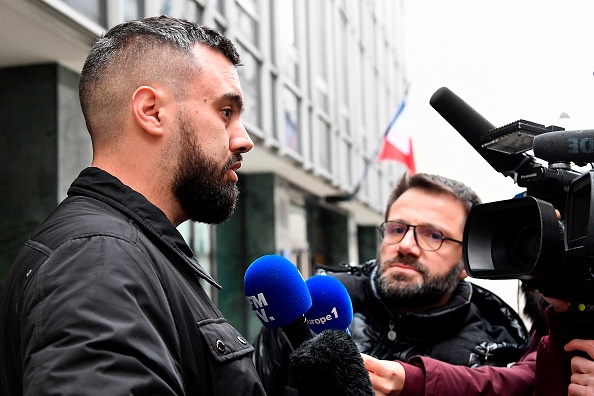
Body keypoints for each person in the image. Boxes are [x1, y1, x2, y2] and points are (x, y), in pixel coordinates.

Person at [0, 16, 266, 395]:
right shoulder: (97, 261)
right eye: (226, 112)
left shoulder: (121, 253)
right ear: (152, 111)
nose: (243, 140)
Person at [252, 173, 531, 395]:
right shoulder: (308, 308)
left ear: (467, 263)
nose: (406, 245)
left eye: (433, 235)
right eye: (397, 229)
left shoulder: (484, 358)